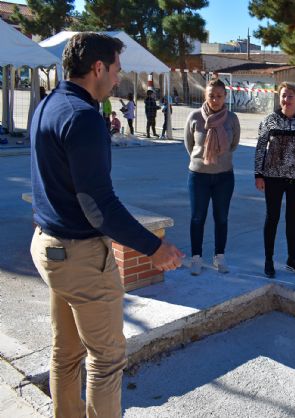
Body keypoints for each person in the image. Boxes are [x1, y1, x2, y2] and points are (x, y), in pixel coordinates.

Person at [29, 32, 183, 418]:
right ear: (97, 68)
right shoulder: (84, 119)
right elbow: (99, 206)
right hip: (80, 259)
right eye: (115, 70)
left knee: (65, 353)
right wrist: (155, 247)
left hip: (48, 248)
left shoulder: (47, 105)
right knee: (107, 358)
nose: (118, 78)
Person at [254, 81, 295, 278]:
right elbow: (260, 149)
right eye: (283, 95)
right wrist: (258, 174)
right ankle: (268, 260)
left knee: (293, 220)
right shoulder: (269, 120)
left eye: (290, 96)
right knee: (272, 218)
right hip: (272, 177)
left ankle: (292, 259)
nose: (286, 99)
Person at [184, 79, 240, 275]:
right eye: (211, 95)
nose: (215, 99)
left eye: (219, 96)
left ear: (225, 96)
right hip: (199, 176)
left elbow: (234, 145)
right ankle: (196, 258)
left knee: (221, 218)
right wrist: (203, 160)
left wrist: (219, 159)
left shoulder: (232, 118)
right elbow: (189, 145)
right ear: (205, 96)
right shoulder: (195, 117)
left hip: (224, 177)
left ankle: (219, 257)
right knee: (197, 217)